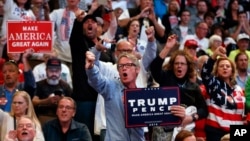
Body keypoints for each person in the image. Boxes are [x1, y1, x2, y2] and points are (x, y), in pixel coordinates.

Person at [85, 52, 186, 141]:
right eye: (120, 66)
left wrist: (176, 118)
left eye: (128, 65)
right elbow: (97, 80)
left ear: (137, 70)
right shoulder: (110, 87)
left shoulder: (144, 95)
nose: (124, 68)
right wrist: (91, 68)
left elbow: (160, 122)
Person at [92, 26, 157, 140]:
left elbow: (150, 56)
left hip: (137, 124)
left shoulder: (139, 66)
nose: (126, 53)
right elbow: (93, 66)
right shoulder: (108, 68)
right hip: (108, 125)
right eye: (123, 51)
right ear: (116, 53)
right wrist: (97, 49)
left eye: (129, 50)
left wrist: (151, 40)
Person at [150, 35, 208, 141]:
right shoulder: (166, 77)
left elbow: (203, 109)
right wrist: (167, 48)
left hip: (184, 129)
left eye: (182, 64)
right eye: (176, 63)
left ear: (188, 66)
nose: (179, 66)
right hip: (164, 129)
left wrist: (190, 118)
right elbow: (154, 68)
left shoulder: (193, 86)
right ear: (172, 65)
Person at [201, 46, 245, 141]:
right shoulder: (212, 84)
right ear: (216, 70)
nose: (225, 68)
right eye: (221, 66)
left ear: (232, 70)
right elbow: (205, 73)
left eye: (228, 66)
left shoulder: (239, 89)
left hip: (237, 131)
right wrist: (214, 56)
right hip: (216, 131)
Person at [32, 57, 72, 126]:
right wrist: (47, 101)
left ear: (60, 71)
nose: (54, 74)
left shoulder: (65, 86)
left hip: (61, 118)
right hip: (42, 116)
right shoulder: (39, 85)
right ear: (46, 70)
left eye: (56, 71)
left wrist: (63, 101)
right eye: (51, 71)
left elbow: (72, 103)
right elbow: (33, 101)